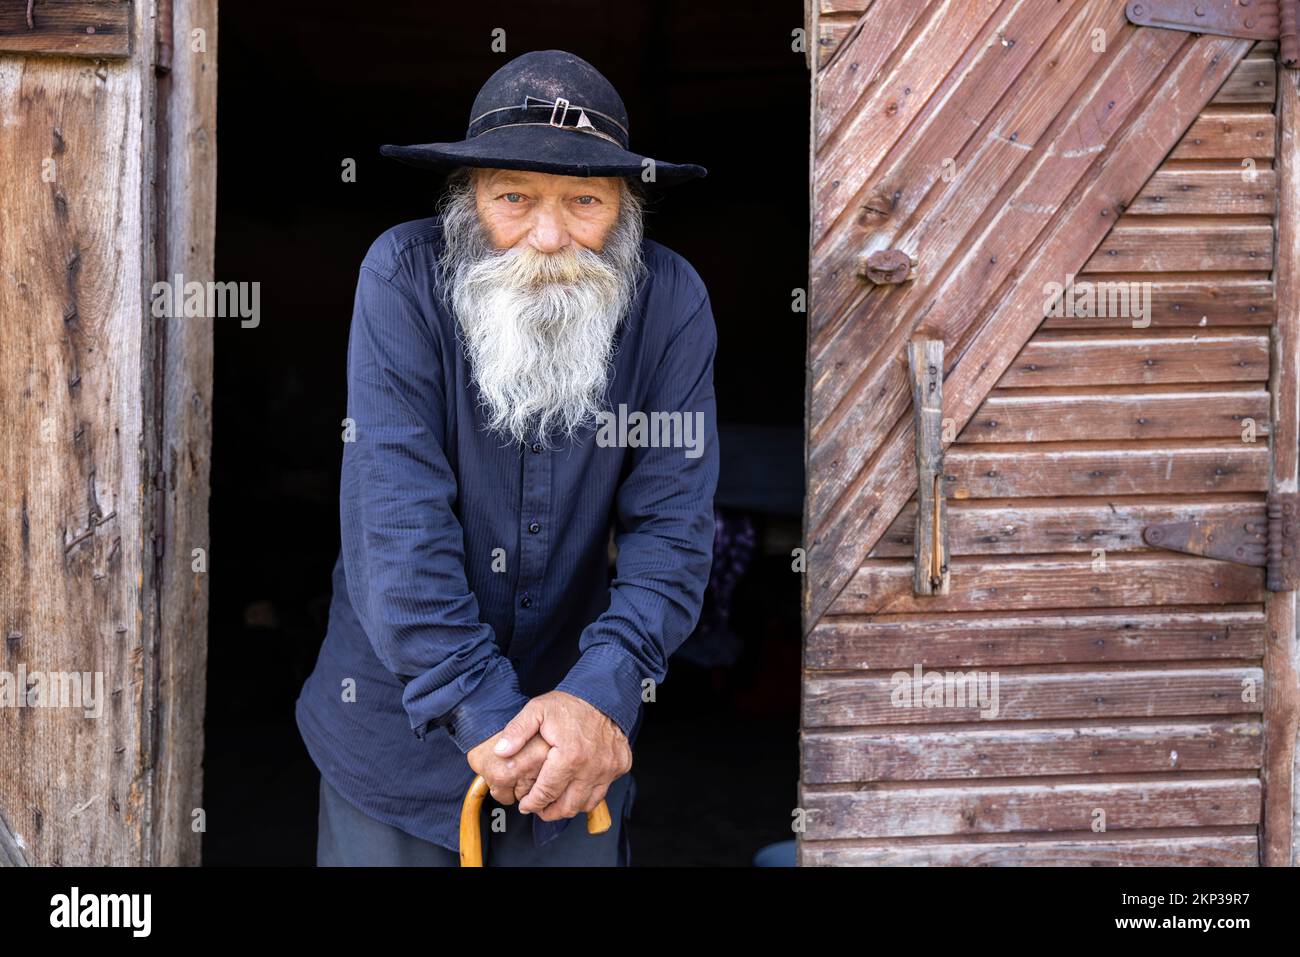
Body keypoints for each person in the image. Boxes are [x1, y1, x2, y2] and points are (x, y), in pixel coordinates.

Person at [294, 49, 719, 866]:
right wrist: (482, 710)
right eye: (514, 197)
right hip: (394, 743)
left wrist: (599, 698)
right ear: (468, 199)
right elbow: (394, 522)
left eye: (584, 200)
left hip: (582, 744)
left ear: (625, 207)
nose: (549, 236)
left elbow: (673, 529)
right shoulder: (402, 276)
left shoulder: (671, 301)